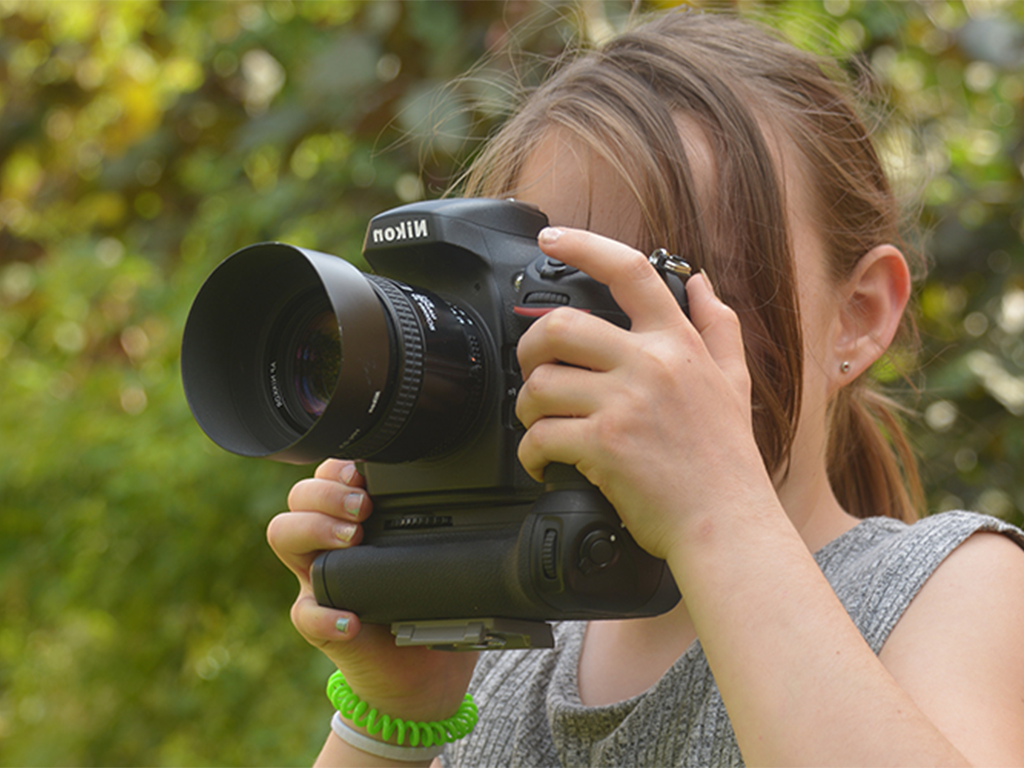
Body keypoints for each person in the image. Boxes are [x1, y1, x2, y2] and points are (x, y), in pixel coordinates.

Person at [268, 9, 1024, 767]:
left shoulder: (949, 590)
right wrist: (395, 717)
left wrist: (714, 513)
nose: (599, 338)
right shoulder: (505, 648)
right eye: (552, 288)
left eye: (668, 280)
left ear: (857, 316)